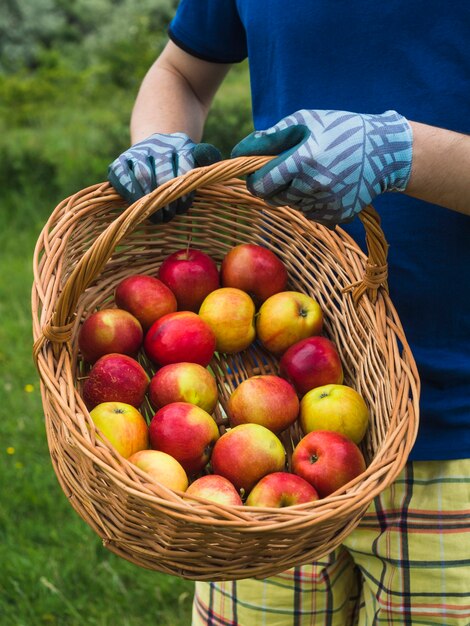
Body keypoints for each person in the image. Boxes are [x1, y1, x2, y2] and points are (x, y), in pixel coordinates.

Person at [108, 2, 470, 624]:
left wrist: (401, 150)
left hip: (459, 435)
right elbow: (183, 73)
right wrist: (158, 141)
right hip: (257, 436)